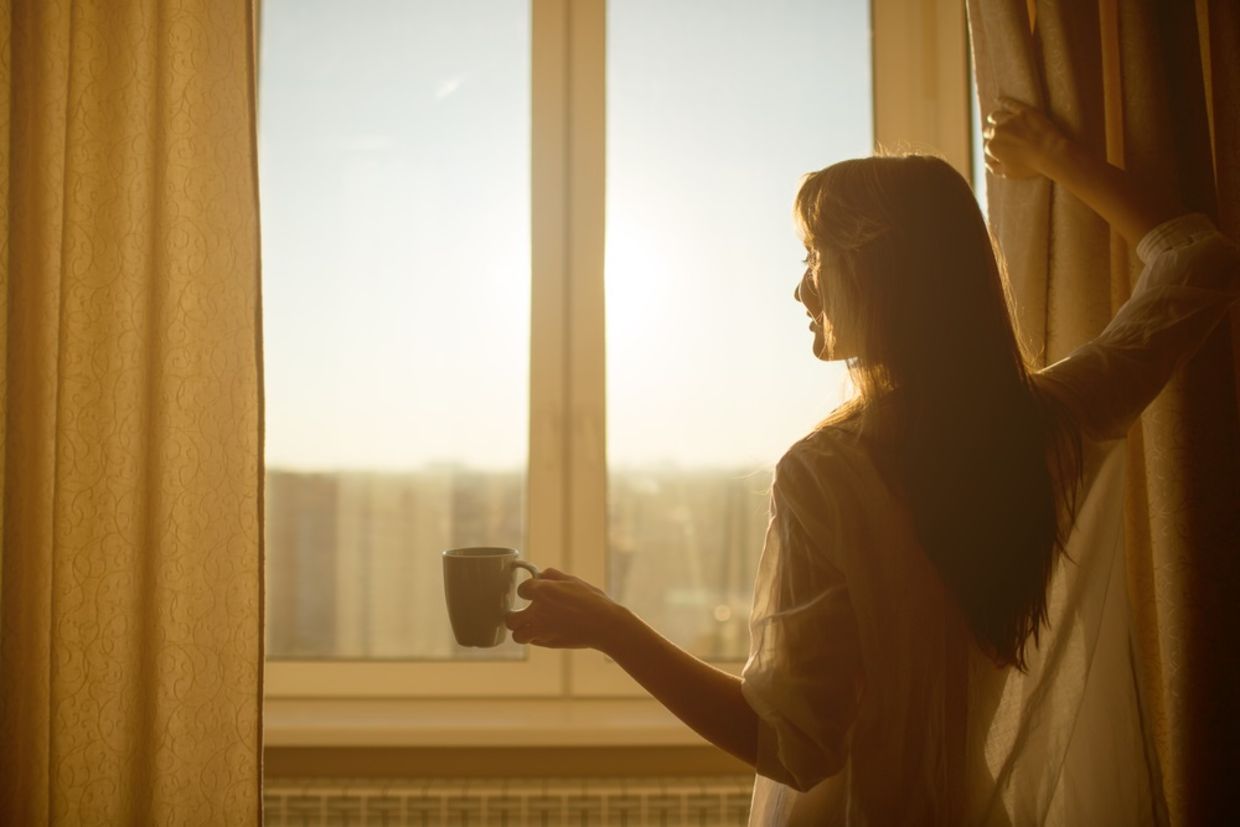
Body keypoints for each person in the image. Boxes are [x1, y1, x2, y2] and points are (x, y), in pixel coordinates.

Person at [504, 98, 1240, 825]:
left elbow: (791, 747)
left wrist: (615, 629)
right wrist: (1053, 155)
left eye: (816, 257)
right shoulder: (1047, 427)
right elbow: (1194, 260)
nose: (801, 287)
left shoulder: (824, 474)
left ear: (881, 271)